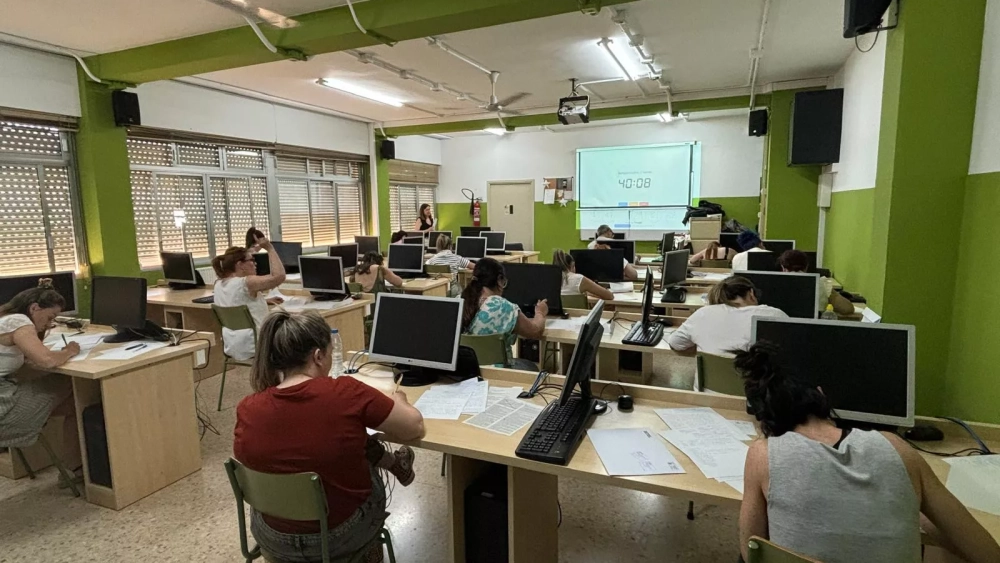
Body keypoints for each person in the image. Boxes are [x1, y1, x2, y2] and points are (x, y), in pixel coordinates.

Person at [735, 342, 1000, 563]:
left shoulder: (762, 456)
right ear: (821, 395)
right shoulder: (897, 448)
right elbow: (985, 551)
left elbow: (752, 551)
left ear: (763, 417)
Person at [234, 311, 425, 563]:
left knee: (341, 438)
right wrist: (399, 400)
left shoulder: (248, 408)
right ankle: (370, 550)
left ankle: (393, 464)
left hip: (272, 537)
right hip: (335, 537)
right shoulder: (345, 393)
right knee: (354, 443)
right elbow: (414, 427)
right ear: (318, 356)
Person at [0, 280, 80, 463]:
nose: (50, 324)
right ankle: (74, 466)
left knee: (75, 405)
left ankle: (73, 466)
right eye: (50, 317)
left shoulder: (5, 318)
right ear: (34, 308)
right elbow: (47, 360)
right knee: (70, 386)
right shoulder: (18, 321)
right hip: (3, 407)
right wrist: (70, 351)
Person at [667, 276, 787, 357]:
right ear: (751, 293)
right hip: (760, 387)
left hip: (710, 388)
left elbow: (675, 344)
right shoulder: (775, 315)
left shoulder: (703, 313)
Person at [461, 258, 547, 369]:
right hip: (500, 373)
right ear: (499, 280)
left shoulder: (461, 300)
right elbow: (535, 331)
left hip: (469, 371)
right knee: (531, 366)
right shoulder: (502, 307)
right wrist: (540, 312)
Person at [212, 234, 287, 361]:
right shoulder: (247, 283)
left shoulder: (218, 284)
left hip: (232, 345)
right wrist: (269, 248)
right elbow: (279, 276)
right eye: (252, 260)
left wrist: (263, 301)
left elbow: (237, 302)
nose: (255, 263)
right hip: (256, 344)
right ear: (240, 265)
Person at [778, 249, 853, 316]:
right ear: (806, 266)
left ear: (783, 268)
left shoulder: (776, 285)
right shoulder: (820, 283)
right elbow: (847, 309)